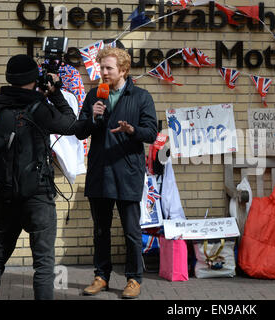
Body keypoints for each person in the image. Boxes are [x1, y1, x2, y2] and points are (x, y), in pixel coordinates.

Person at [75, 47, 157, 299]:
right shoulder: (94, 95)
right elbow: (80, 131)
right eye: (102, 67)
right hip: (100, 171)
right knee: (101, 230)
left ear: (123, 69)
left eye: (109, 68)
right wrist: (93, 118)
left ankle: (134, 279)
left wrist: (132, 130)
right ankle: (101, 276)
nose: (103, 72)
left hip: (127, 172)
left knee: (131, 230)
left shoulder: (140, 96)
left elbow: (151, 132)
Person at [0, 54, 77, 300]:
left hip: (2, 195)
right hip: (37, 196)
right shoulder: (40, 109)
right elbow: (71, 124)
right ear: (34, 79)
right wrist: (55, 93)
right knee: (43, 264)